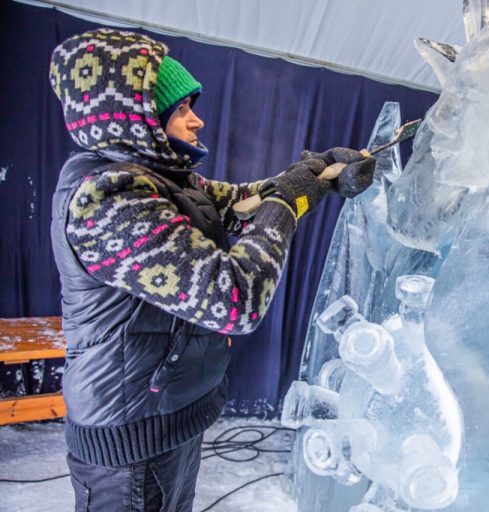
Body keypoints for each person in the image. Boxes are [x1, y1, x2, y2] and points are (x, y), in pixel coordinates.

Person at [48, 28, 375, 511]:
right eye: (180, 110)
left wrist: (319, 175)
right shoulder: (110, 199)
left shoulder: (163, 181)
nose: (197, 121)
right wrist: (285, 203)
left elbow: (243, 203)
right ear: (134, 119)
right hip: (130, 444)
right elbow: (234, 300)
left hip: (168, 416)